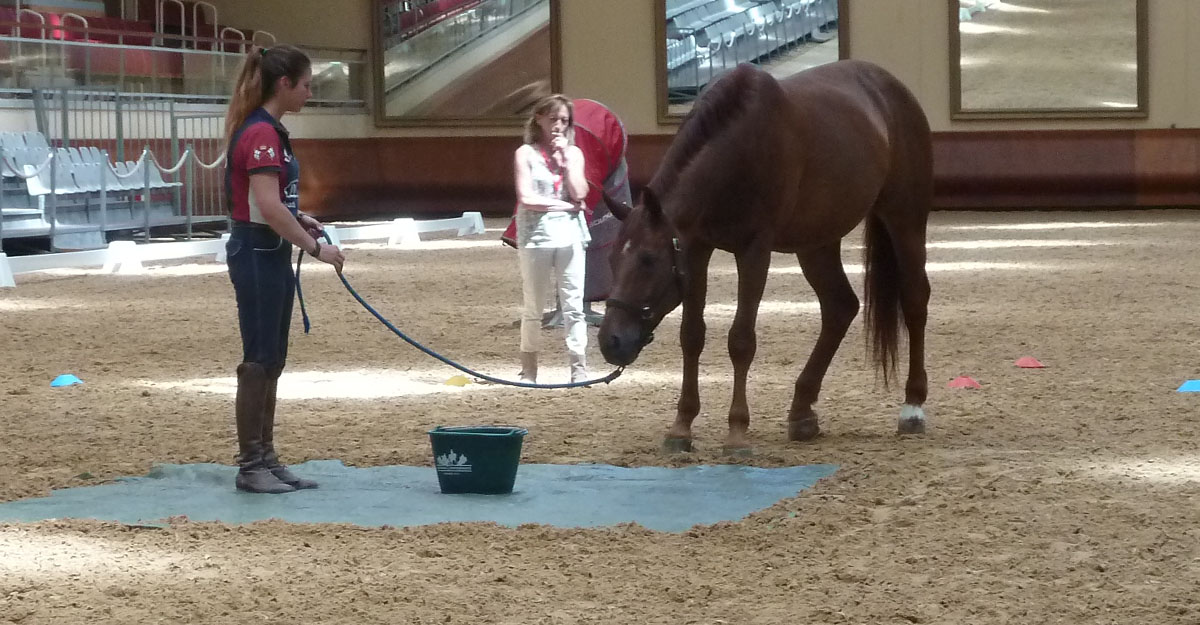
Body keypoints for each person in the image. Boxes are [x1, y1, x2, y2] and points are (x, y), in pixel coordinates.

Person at [223, 45, 345, 494]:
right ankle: (250, 463)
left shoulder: (269, 130)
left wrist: (302, 217)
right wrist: (317, 249)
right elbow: (269, 207)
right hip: (257, 252)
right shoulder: (261, 134)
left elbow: (274, 203)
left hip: (268, 251)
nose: (310, 92)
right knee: (258, 359)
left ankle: (266, 457)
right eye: (307, 84)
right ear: (284, 84)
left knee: (272, 357)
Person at [513, 94, 590, 384]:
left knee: (573, 304)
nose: (558, 125)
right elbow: (527, 198)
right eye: (553, 118)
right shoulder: (525, 153)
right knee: (533, 305)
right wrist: (567, 206)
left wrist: (567, 161)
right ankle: (529, 369)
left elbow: (581, 193)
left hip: (570, 235)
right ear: (540, 119)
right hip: (536, 236)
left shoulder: (574, 154)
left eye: (564, 120)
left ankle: (578, 366)